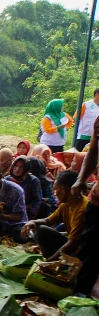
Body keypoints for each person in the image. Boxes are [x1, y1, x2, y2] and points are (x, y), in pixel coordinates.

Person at [22, 170, 86, 260]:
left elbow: (72, 244)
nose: (54, 194)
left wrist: (48, 262)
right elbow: (48, 221)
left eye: (55, 190)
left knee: (41, 231)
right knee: (39, 228)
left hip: (82, 250)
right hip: (73, 243)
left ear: (64, 190)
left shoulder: (82, 210)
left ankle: (54, 263)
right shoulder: (66, 204)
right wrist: (32, 222)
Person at [71, 113, 99, 294]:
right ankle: (79, 296)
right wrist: (81, 179)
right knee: (88, 251)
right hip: (97, 199)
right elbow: (93, 151)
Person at [4, 156, 42, 220]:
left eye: (21, 167)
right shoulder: (6, 180)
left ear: (26, 168)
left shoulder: (33, 181)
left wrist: (24, 211)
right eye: (15, 166)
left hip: (26, 213)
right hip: (8, 212)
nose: (17, 169)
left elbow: (37, 200)